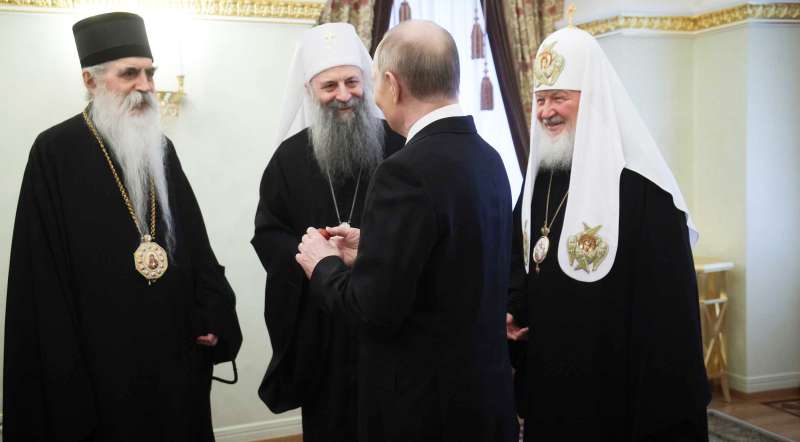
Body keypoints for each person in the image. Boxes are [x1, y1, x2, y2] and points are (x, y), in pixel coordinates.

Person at [3, 12, 242, 442]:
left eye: (150, 73)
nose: (145, 85)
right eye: (129, 74)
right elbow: (40, 275)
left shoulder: (160, 148)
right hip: (100, 364)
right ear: (90, 80)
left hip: (172, 356)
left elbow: (195, 245)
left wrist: (213, 309)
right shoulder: (54, 152)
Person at [295, 20, 517, 442]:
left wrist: (323, 266)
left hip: (425, 410)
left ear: (393, 84)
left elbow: (371, 312)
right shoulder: (489, 156)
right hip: (484, 397)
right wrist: (372, 247)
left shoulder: (404, 171)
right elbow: (453, 262)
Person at [505, 25, 710, 441]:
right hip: (550, 378)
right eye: (540, 99)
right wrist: (513, 306)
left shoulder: (645, 192)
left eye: (559, 98)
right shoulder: (539, 181)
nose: (546, 112)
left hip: (613, 385)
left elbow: (667, 316)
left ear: (593, 98)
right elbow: (521, 257)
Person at [250, 22, 404, 442]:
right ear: (309, 90)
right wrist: (312, 255)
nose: (343, 95)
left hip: (386, 318)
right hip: (322, 326)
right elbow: (268, 233)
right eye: (329, 86)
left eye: (352, 81)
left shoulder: (398, 147)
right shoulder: (288, 159)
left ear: (367, 81)